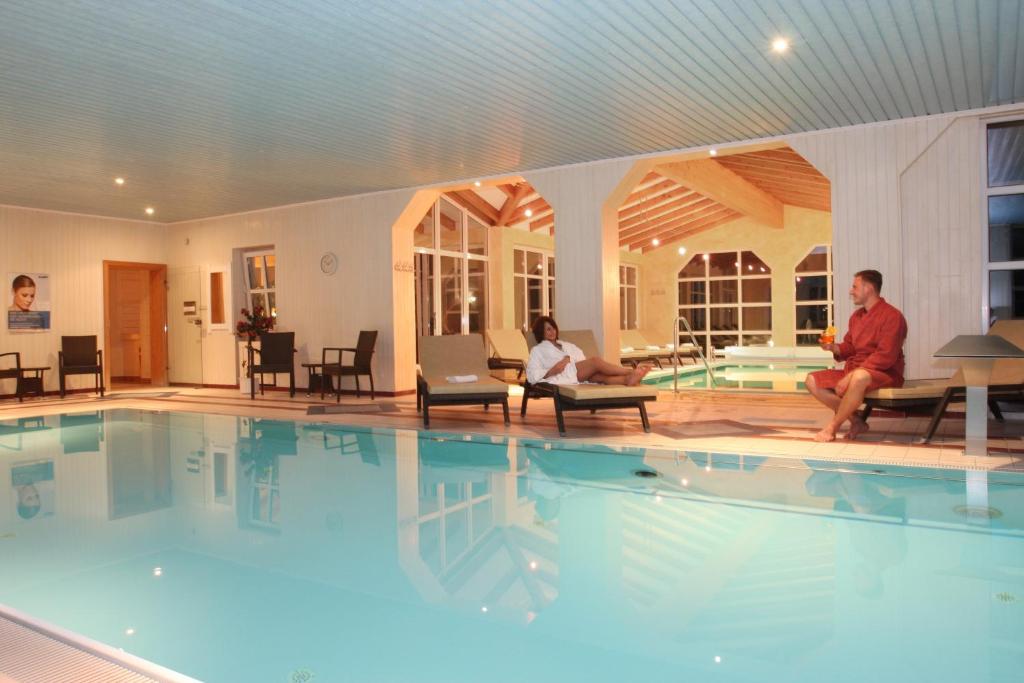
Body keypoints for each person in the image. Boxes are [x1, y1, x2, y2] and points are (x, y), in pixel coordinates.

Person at [806, 270, 908, 442]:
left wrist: (853, 375)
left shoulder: (893, 316)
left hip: (886, 373)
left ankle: (832, 427)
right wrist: (834, 347)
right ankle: (856, 420)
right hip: (857, 370)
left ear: (868, 288)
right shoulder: (857, 317)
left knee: (859, 377)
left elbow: (886, 356)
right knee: (812, 380)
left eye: (855, 286)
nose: (850, 291)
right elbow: (850, 347)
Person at [525, 316, 651, 386]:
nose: (552, 332)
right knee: (595, 361)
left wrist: (571, 361)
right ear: (541, 332)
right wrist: (556, 368)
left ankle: (627, 379)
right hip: (562, 375)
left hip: (577, 371)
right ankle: (630, 371)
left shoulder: (565, 345)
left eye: (553, 328)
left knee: (600, 377)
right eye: (548, 329)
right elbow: (532, 374)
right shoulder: (538, 350)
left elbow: (580, 357)